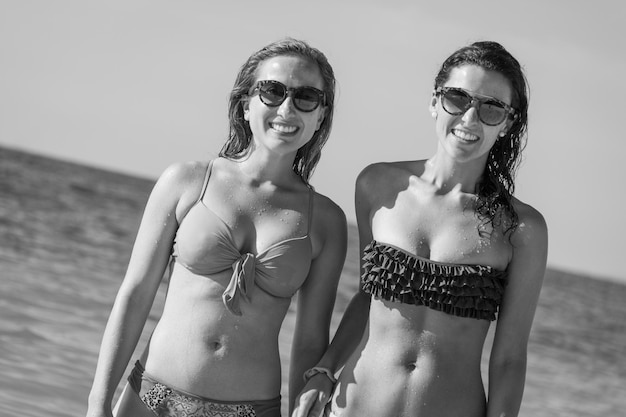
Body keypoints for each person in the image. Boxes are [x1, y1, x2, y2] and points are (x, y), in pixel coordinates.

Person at [86, 37, 347, 417]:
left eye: (306, 97)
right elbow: (136, 294)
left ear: (321, 115)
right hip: (152, 400)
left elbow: (308, 341)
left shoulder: (325, 221)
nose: (287, 108)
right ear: (245, 104)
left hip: (252, 410)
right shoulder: (187, 182)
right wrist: (98, 403)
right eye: (272, 91)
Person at [293, 41, 548, 417]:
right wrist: (324, 370)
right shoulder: (377, 186)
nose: (470, 118)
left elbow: (509, 358)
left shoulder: (521, 228)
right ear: (434, 102)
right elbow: (367, 298)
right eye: (458, 99)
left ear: (508, 123)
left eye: (491, 107)